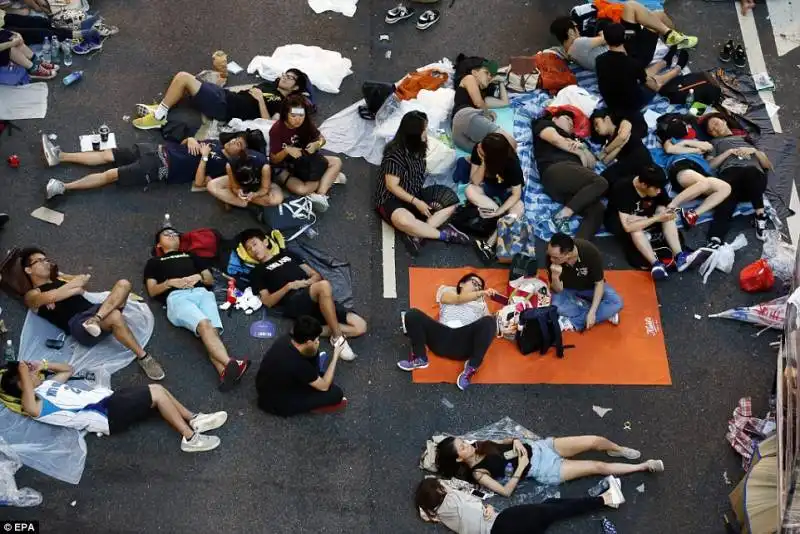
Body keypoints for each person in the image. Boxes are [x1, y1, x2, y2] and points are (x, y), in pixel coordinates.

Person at [1, 360, 226, 453]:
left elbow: (67, 370)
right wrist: (21, 371)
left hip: (109, 399)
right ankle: (190, 438)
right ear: (22, 384)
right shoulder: (35, 404)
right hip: (106, 414)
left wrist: (43, 364)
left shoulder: (47, 385)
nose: (33, 373)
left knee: (158, 390)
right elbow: (30, 407)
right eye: (28, 374)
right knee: (156, 392)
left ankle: (194, 418)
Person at [20, 247, 165, 381]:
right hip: (77, 324)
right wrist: (67, 290)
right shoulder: (32, 294)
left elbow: (82, 281)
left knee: (124, 284)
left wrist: (63, 290)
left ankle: (96, 319)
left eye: (46, 260)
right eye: (40, 261)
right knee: (114, 316)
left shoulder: (60, 279)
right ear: (28, 270)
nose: (46, 263)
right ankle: (143, 357)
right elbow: (55, 294)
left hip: (97, 310)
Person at [144, 227, 250, 391]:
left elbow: (208, 279)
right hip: (177, 297)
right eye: (167, 234)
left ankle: (224, 373)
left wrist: (198, 276)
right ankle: (231, 363)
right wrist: (169, 283)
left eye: (175, 234)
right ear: (159, 244)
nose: (172, 236)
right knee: (205, 325)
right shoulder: (154, 262)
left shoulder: (191, 255)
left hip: (202, 293)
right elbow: (152, 290)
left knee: (211, 332)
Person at [240, 228, 366, 361]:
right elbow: (267, 301)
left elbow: (315, 275)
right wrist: (288, 287)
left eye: (254, 244)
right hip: (294, 300)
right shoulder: (257, 272)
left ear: (265, 242)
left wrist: (305, 283)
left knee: (361, 326)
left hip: (315, 295)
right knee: (324, 286)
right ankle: (338, 338)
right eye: (249, 249)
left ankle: (306, 331)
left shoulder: (287, 255)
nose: (253, 250)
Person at [42, 131, 258, 199]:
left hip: (161, 167)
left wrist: (203, 157)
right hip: (155, 149)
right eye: (235, 138)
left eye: (238, 143)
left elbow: (201, 182)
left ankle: (64, 187)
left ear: (240, 153)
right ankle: (60, 156)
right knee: (106, 154)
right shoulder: (214, 143)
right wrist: (190, 140)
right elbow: (185, 145)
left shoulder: (223, 167)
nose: (232, 141)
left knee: (111, 175)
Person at [374, 111, 471, 256]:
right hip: (391, 199)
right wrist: (416, 202)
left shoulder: (420, 146)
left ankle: (417, 234)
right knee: (404, 221)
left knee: (452, 203)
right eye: (424, 129)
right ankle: (444, 235)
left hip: (415, 192)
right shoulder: (394, 155)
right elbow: (391, 186)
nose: (427, 131)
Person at [436, 435, 663, 494]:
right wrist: (522, 464)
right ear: (459, 458)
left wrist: (515, 441)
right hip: (544, 469)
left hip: (544, 448)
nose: (467, 444)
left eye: (463, 441)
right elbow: (505, 491)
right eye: (462, 447)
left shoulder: (478, 444)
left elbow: (504, 441)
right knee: (597, 466)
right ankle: (643, 466)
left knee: (594, 441)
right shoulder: (478, 473)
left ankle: (618, 449)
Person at [397, 273, 497, 391]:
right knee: (412, 314)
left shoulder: (482, 305)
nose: (477, 288)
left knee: (490, 322)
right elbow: (458, 299)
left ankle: (471, 367)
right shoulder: (448, 291)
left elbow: (489, 328)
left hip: (463, 343)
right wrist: (481, 293)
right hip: (441, 336)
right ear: (462, 284)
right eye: (474, 283)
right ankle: (420, 358)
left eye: (480, 287)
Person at [415, 477, 624, 534]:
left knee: (549, 507)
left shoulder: (441, 516)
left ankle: (605, 499)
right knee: (553, 510)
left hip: (500, 530)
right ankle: (607, 499)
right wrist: (484, 507)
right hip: (504, 523)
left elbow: (426, 514)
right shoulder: (453, 499)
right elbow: (465, 495)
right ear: (440, 491)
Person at [132, 69, 310, 129]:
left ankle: (158, 116)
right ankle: (162, 107)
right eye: (286, 74)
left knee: (183, 78)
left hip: (225, 108)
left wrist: (261, 100)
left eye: (291, 78)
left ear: (295, 88)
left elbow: (268, 125)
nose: (285, 77)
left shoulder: (282, 103)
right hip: (225, 96)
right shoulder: (270, 85)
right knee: (182, 82)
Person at [550, 1, 695, 72]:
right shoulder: (577, 45)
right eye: (575, 27)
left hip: (625, 48)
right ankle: (674, 36)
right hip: (631, 54)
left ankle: (673, 36)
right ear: (570, 32)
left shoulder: (571, 52)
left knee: (652, 15)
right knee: (653, 15)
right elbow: (607, 37)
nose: (578, 30)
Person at [606, 164, 696, 278]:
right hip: (619, 221)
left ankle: (680, 256)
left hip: (643, 214)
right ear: (643, 185)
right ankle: (656, 264)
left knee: (663, 211)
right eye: (656, 189)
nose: (659, 191)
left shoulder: (655, 183)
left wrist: (659, 215)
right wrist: (657, 218)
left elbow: (669, 208)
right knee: (635, 228)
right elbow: (627, 227)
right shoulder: (623, 189)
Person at [532, 110, 607, 238]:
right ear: (555, 119)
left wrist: (581, 148)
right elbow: (555, 140)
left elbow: (591, 163)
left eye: (573, 122)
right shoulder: (545, 124)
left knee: (597, 209)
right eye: (567, 119)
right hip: (556, 170)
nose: (571, 123)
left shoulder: (576, 139)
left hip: (569, 184)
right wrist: (578, 152)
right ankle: (562, 215)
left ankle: (578, 248)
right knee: (601, 182)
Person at [255, 316, 348, 417]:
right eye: (317, 339)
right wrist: (335, 356)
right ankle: (313, 406)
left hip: (264, 386)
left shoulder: (286, 339)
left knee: (316, 359)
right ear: (308, 342)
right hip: (277, 403)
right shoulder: (298, 363)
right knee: (335, 393)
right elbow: (324, 387)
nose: (318, 342)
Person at [651, 116, 731, 228]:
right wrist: (693, 148)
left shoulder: (701, 141)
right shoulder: (672, 139)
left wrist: (688, 144)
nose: (687, 127)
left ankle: (692, 215)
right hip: (682, 165)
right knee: (704, 183)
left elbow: (708, 147)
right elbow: (670, 149)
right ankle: (671, 206)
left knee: (725, 188)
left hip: (700, 170)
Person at [703, 114, 771, 245]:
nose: (715, 129)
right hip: (731, 178)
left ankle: (760, 215)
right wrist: (728, 152)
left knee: (750, 171)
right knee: (726, 197)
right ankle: (715, 239)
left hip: (753, 184)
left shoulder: (745, 139)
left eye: (716, 124)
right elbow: (710, 166)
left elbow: (767, 165)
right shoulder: (714, 143)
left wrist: (753, 151)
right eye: (711, 130)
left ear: (724, 121)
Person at [268, 95, 343, 213]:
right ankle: (328, 179)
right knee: (301, 189)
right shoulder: (277, 129)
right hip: (285, 167)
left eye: (301, 115)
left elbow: (322, 139)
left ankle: (320, 195)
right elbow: (274, 159)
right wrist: (287, 150)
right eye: (293, 116)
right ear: (285, 114)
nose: (298, 120)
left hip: (306, 160)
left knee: (337, 161)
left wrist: (317, 144)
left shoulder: (306, 123)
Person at [595, 23, 682, 116]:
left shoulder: (599, 60)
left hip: (611, 102)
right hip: (632, 104)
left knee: (641, 74)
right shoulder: (632, 63)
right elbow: (651, 84)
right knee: (655, 81)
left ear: (606, 40)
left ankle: (664, 62)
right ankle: (677, 69)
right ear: (624, 38)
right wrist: (656, 85)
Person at [465, 133, 524, 261]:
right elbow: (475, 181)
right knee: (469, 189)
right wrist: (484, 162)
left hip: (507, 191)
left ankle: (490, 243)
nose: (479, 146)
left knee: (518, 208)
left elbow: (516, 194)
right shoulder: (478, 150)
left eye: (483, 147)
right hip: (488, 187)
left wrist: (500, 210)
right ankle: (500, 221)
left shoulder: (512, 163)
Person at [547, 233, 623, 332]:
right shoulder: (551, 256)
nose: (551, 259)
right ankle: (605, 312)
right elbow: (556, 290)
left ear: (568, 254)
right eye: (550, 256)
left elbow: (599, 283)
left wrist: (592, 312)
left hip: (590, 288)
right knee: (556, 305)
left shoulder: (589, 252)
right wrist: (555, 276)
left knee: (616, 302)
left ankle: (575, 320)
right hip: (568, 290)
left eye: (556, 258)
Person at [451, 55, 514, 152]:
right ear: (474, 72)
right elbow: (478, 103)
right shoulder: (469, 78)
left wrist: (500, 82)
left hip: (462, 136)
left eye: (491, 76)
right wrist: (487, 114)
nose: (490, 76)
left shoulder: (483, 98)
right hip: (463, 117)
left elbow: (504, 102)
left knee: (495, 153)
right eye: (486, 73)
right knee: (510, 143)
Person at [590, 108, 653, 188]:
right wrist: (620, 146)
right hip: (627, 163)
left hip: (639, 155)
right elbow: (606, 160)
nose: (596, 129)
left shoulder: (622, 124)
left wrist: (607, 151)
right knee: (609, 178)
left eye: (597, 124)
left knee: (608, 177)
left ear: (607, 119)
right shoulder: (608, 142)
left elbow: (622, 137)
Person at [206, 154, 283, 209]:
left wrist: (256, 194)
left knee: (277, 199)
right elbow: (234, 186)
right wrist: (237, 191)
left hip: (260, 184)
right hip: (241, 187)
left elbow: (265, 188)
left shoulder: (264, 167)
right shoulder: (230, 165)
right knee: (211, 185)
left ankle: (232, 199)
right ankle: (243, 203)